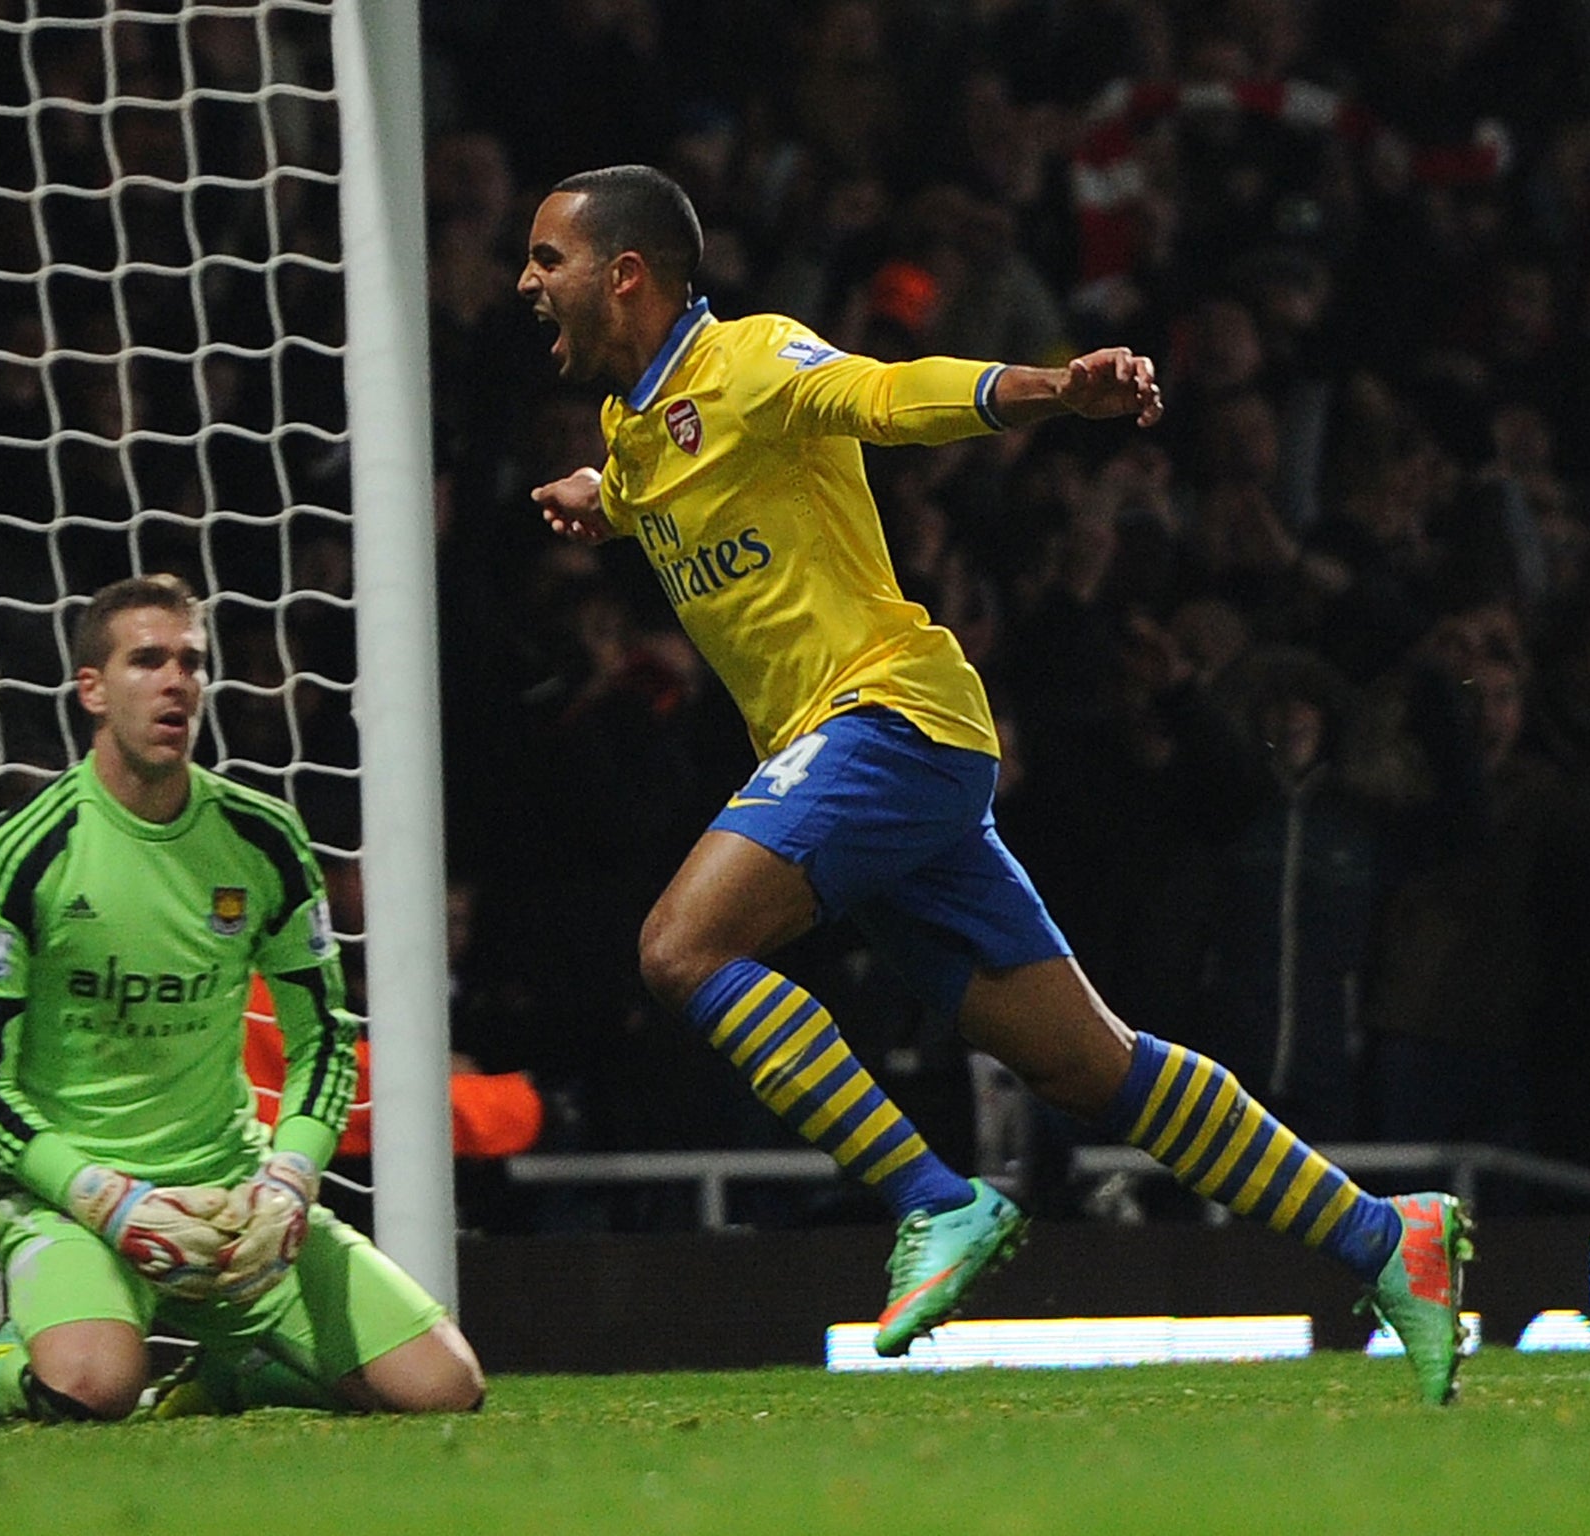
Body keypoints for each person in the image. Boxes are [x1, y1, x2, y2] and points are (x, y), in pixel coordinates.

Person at [518, 164, 1471, 1402]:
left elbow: (887, 395)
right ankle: (1377, 1237)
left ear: (624, 273)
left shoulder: (747, 360)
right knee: (1088, 1065)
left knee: (680, 951)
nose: (527, 282)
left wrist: (1052, 389)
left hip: (885, 719)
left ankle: (936, 1201)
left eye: (547, 259)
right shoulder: (633, 432)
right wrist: (609, 500)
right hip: (869, 762)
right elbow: (668, 480)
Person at [0, 574, 484, 1423]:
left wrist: (288, 1179)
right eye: (147, 660)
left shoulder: (262, 839)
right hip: (78, 1204)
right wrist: (108, 1201)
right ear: (92, 688)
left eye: (190, 662)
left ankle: (233, 1374)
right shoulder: (24, 854)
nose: (175, 682)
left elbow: (324, 1043)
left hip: (233, 1203)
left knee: (446, 1390)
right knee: (94, 1388)